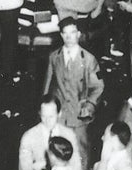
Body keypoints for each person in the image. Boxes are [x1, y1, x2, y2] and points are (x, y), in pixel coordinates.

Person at [43, 17, 104, 161]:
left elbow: (98, 86)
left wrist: (89, 105)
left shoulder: (89, 59)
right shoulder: (54, 57)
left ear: (79, 34)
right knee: (56, 149)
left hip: (78, 113)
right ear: (61, 35)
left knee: (80, 149)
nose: (69, 37)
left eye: (73, 32)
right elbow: (47, 85)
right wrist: (45, 107)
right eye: (65, 33)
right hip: (59, 113)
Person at [18, 96, 84, 170]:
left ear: (59, 114)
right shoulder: (28, 137)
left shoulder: (69, 134)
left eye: (51, 116)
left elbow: (77, 168)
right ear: (39, 113)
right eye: (43, 116)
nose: (47, 121)